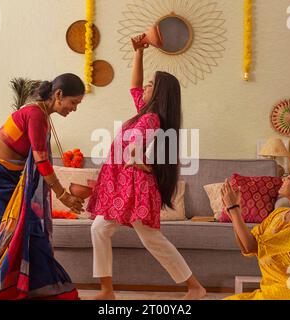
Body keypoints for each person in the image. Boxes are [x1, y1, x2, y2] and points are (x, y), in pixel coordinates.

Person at [86, 36, 206, 300]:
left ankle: (195, 287)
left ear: (159, 93)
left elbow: (140, 147)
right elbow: (135, 85)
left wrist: (140, 161)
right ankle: (107, 290)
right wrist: (138, 53)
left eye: (151, 85)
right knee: (99, 229)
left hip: (136, 187)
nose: (144, 88)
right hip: (123, 185)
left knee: (152, 240)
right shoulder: (145, 112)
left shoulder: (152, 118)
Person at [0, 73, 85, 300]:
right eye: (73, 102)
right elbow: (41, 161)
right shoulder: (35, 114)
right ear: (58, 95)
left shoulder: (42, 116)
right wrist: (63, 195)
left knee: (28, 229)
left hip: (6, 180)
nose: (74, 109)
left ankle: (29, 289)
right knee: (2, 236)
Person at [222, 164, 290, 300]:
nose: (283, 179)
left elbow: (251, 245)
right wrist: (235, 214)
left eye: (289, 177)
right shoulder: (278, 214)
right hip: (269, 292)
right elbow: (247, 247)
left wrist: (234, 210)